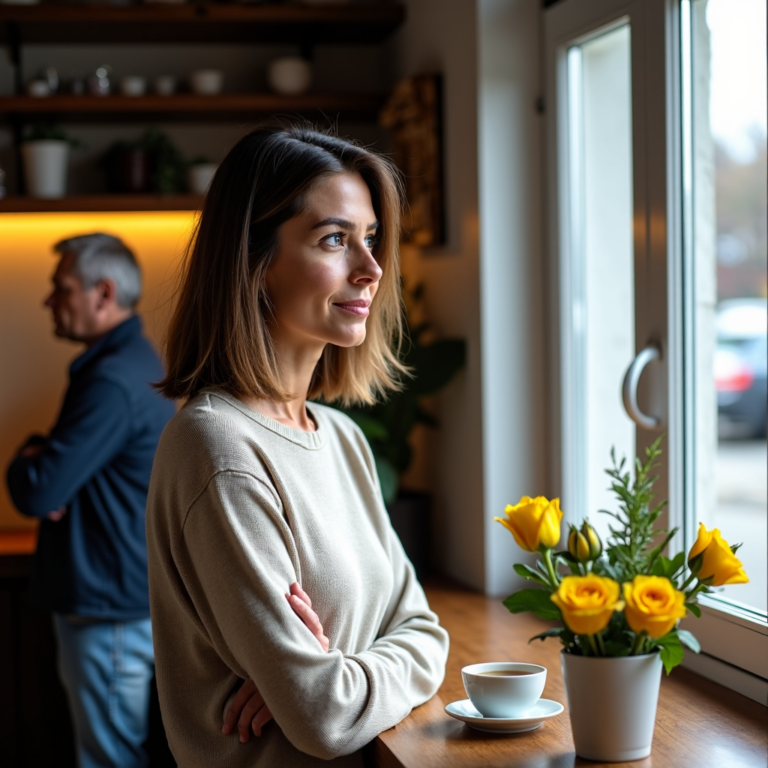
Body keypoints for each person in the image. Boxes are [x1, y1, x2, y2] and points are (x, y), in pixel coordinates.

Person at [146, 124, 450, 767]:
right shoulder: (217, 449)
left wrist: (335, 667)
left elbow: (426, 632)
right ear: (254, 261)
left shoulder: (342, 439)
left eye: (370, 238)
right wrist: (317, 683)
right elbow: (323, 716)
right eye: (335, 239)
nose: (371, 269)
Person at [6, 233, 176, 768]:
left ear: (103, 293)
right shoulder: (127, 362)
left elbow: (39, 491)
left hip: (108, 609)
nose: (48, 301)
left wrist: (27, 456)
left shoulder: (110, 380)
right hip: (117, 596)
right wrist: (50, 464)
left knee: (108, 760)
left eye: (60, 288)